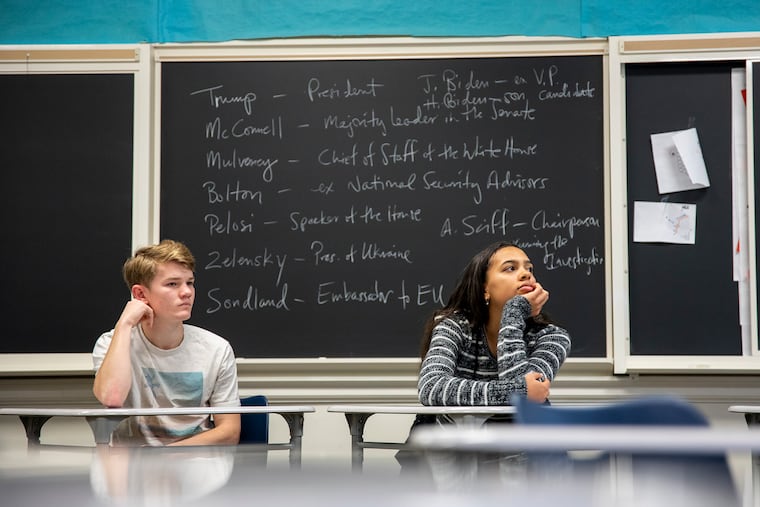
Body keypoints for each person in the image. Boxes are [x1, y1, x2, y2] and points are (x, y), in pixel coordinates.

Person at [92, 239, 241, 446]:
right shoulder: (112, 343)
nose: (187, 292)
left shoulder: (216, 349)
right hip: (133, 470)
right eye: (173, 284)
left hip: (196, 466)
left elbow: (230, 432)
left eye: (189, 282)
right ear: (140, 294)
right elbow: (112, 398)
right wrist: (125, 324)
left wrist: (165, 456)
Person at [418, 241, 571, 409]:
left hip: (515, 434)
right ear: (485, 289)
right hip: (450, 433)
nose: (526, 275)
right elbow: (430, 387)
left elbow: (525, 402)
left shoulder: (552, 337)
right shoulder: (454, 326)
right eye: (510, 268)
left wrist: (514, 312)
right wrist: (517, 391)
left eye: (529, 269)